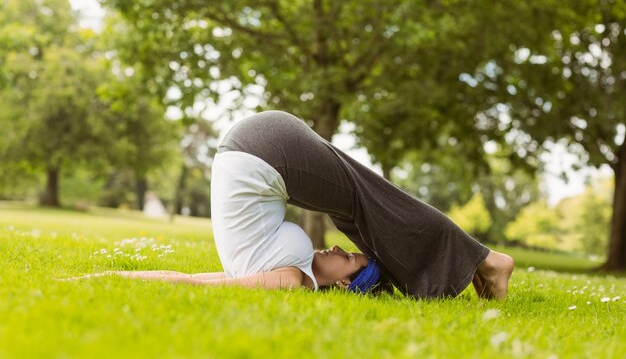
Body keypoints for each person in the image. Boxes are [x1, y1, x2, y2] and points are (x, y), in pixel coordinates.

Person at [79, 111, 513, 299]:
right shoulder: (289, 269)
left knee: (366, 205)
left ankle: (482, 262)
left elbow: (191, 282)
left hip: (258, 152)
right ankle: (484, 262)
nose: (340, 249)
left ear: (345, 285)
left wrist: (106, 275)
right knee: (367, 205)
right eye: (351, 252)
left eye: (350, 260)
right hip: (264, 152)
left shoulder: (288, 280)